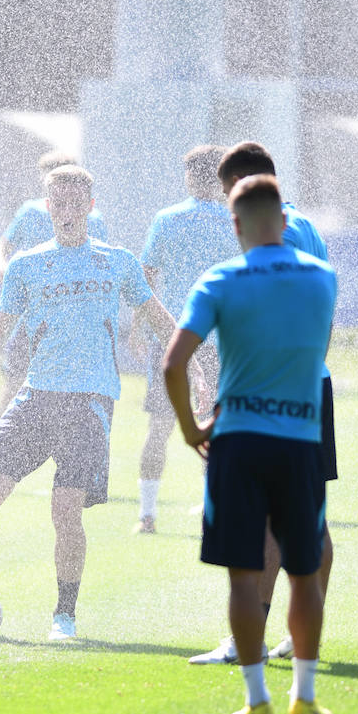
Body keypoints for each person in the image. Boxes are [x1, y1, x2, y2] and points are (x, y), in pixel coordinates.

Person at [0, 165, 175, 640]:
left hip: (89, 404)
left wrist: (197, 371)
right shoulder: (29, 265)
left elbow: (162, 321)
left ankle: (64, 615)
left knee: (65, 511)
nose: (66, 212)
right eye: (57, 204)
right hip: (36, 397)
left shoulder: (117, 261)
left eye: (75, 202)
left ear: (90, 206)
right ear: (47, 208)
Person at [163, 173, 337, 714]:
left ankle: (257, 699)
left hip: (237, 438)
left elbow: (173, 363)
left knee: (244, 573)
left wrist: (192, 428)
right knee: (303, 570)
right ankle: (304, 697)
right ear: (284, 222)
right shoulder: (321, 277)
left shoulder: (219, 280)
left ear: (234, 224)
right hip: (298, 437)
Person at [134, 144, 232, 534]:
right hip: (225, 339)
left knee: (159, 425)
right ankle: (216, 510)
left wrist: (138, 326)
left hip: (174, 338)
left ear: (190, 177)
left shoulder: (168, 219)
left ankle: (147, 514)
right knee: (219, 424)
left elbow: (146, 278)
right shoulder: (236, 220)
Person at [0, 150, 109, 417]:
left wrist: (1, 266)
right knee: (25, 382)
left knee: (17, 382)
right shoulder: (33, 211)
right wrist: (1, 267)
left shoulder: (88, 217)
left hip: (55, 319)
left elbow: (101, 261)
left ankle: (3, 442)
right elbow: (2, 247)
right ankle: (5, 440)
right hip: (49, 318)